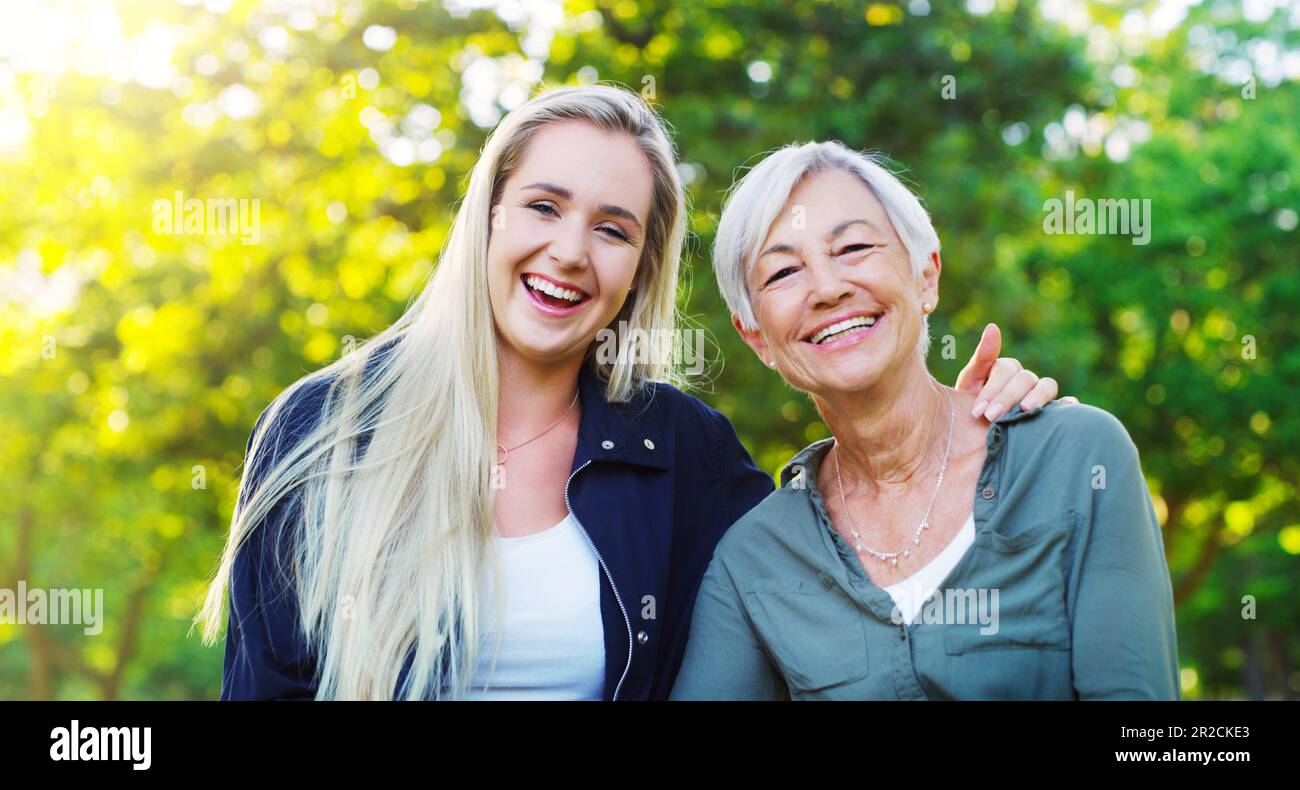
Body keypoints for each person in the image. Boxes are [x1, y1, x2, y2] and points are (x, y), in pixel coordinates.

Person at [196, 86, 1064, 700]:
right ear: (488, 216)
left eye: (612, 229)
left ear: (638, 269)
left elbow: (842, 575)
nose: (571, 252)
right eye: (543, 207)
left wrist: (968, 426)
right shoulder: (325, 428)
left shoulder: (685, 452)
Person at [671, 141, 1179, 700]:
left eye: (854, 247)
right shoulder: (753, 559)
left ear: (925, 276)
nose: (827, 288)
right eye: (785, 271)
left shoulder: (1078, 457)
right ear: (757, 338)